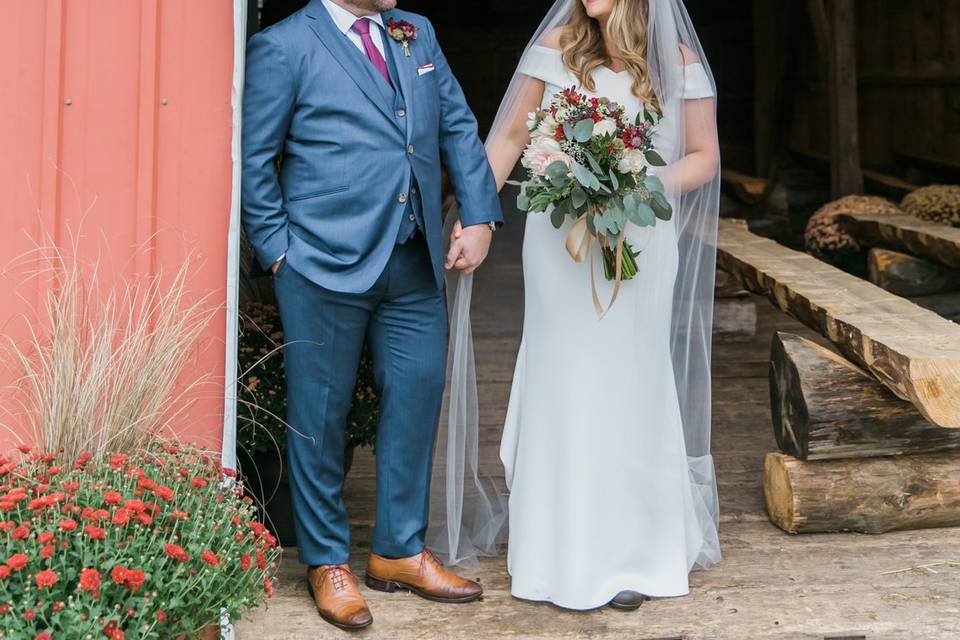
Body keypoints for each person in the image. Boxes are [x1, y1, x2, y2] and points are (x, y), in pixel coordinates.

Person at [241, 0, 502, 630]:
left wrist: (480, 212)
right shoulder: (283, 46)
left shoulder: (418, 31)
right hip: (321, 262)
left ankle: (398, 551)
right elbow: (254, 160)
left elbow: (458, 126)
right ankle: (327, 560)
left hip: (412, 257)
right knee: (319, 414)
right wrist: (280, 254)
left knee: (417, 394)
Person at [480, 0, 722, 611]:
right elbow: (512, 135)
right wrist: (478, 217)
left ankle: (631, 549)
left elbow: (703, 156)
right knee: (565, 378)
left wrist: (637, 180)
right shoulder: (557, 47)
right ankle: (559, 548)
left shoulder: (678, 63)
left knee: (630, 381)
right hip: (560, 245)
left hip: (638, 240)